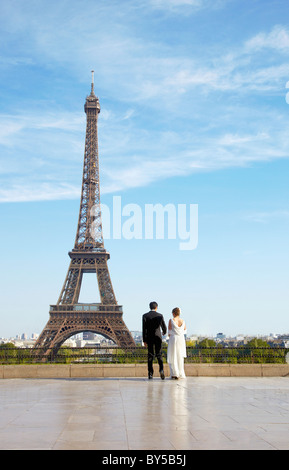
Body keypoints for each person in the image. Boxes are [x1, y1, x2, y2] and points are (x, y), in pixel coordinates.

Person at [142, 301, 167, 380]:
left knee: (150, 356)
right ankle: (161, 370)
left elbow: (144, 329)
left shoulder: (145, 316)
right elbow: (164, 327)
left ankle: (150, 373)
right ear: (156, 307)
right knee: (159, 355)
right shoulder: (160, 315)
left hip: (149, 337)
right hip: (158, 337)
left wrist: (144, 340)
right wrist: (164, 332)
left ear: (150, 307)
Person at [167, 307, 187, 380]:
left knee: (173, 355)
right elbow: (185, 330)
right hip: (181, 339)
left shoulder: (171, 320)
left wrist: (171, 335)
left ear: (173, 313)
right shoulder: (183, 321)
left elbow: (169, 331)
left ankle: (174, 373)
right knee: (180, 356)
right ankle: (180, 372)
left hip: (174, 339)